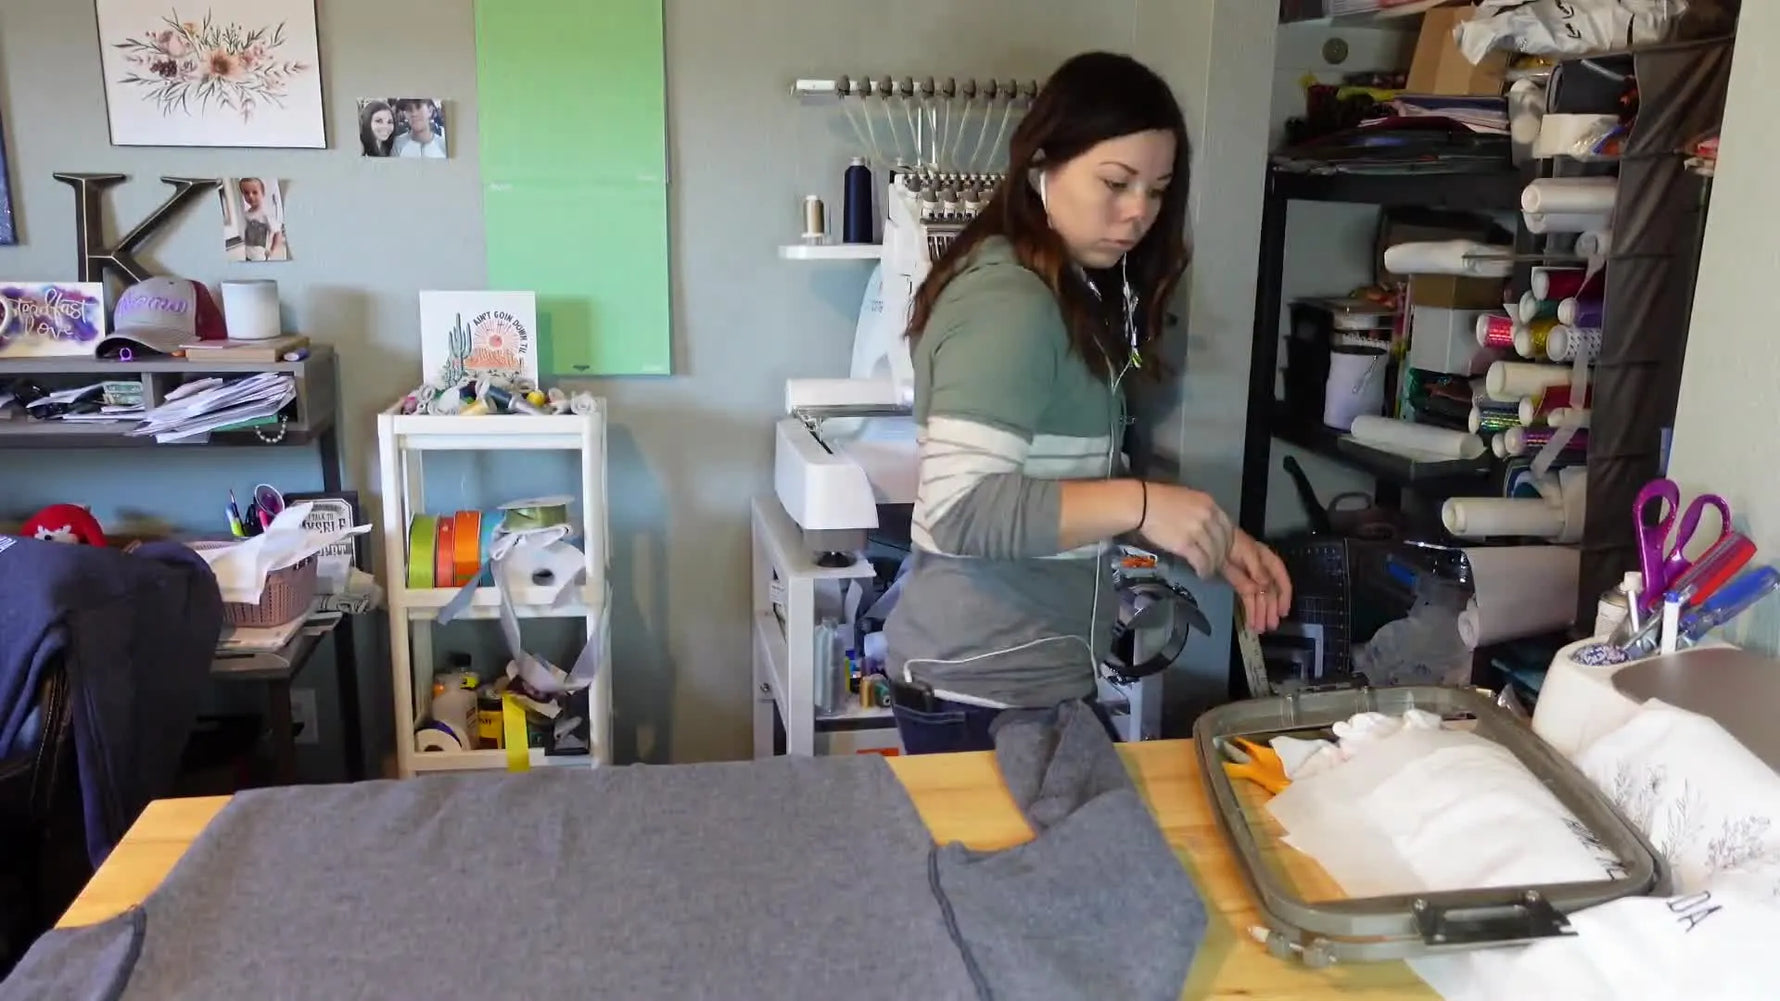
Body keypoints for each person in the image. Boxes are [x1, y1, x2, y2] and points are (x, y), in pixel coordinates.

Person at [883, 52, 1292, 755]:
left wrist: (1195, 531)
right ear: (1043, 164)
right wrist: (1142, 503)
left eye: (1158, 190)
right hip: (978, 689)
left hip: (1024, 680)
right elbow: (959, 511)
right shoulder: (1009, 303)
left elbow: (1055, 495)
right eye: (1116, 182)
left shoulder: (1064, 293)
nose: (1138, 211)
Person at [234, 178, 287, 261]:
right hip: (249, 255)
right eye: (246, 193)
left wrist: (272, 250)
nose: (250, 196)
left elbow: (278, 233)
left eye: (255, 192)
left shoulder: (266, 215)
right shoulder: (246, 214)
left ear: (262, 193)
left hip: (262, 258)